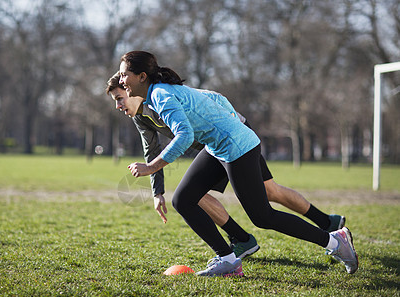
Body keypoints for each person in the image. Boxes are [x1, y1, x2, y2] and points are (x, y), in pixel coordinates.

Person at [119, 50, 358, 276]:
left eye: (124, 75)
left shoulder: (160, 94)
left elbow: (185, 136)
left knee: (263, 217)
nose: (121, 80)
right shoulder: (157, 94)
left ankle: (336, 241)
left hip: (237, 147)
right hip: (218, 147)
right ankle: (227, 259)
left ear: (142, 76)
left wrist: (151, 167)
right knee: (184, 199)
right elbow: (211, 98)